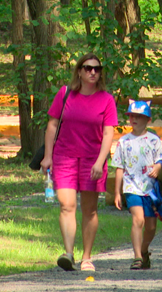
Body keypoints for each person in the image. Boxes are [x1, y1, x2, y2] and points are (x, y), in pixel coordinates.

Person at [40, 53, 118, 272]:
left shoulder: (106, 100)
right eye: (87, 68)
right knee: (67, 205)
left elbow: (108, 133)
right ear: (79, 71)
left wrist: (100, 162)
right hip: (64, 157)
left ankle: (86, 257)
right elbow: (52, 125)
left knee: (90, 210)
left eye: (97, 68)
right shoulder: (65, 94)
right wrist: (48, 156)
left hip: (92, 160)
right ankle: (68, 253)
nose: (92, 72)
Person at [111, 100, 162, 270]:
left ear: (147, 119)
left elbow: (160, 162)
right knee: (137, 219)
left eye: (139, 116)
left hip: (150, 189)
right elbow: (119, 167)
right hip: (131, 188)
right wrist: (117, 192)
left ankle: (144, 250)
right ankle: (137, 257)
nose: (134, 119)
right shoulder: (123, 141)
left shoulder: (154, 140)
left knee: (151, 225)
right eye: (132, 115)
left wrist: (157, 168)